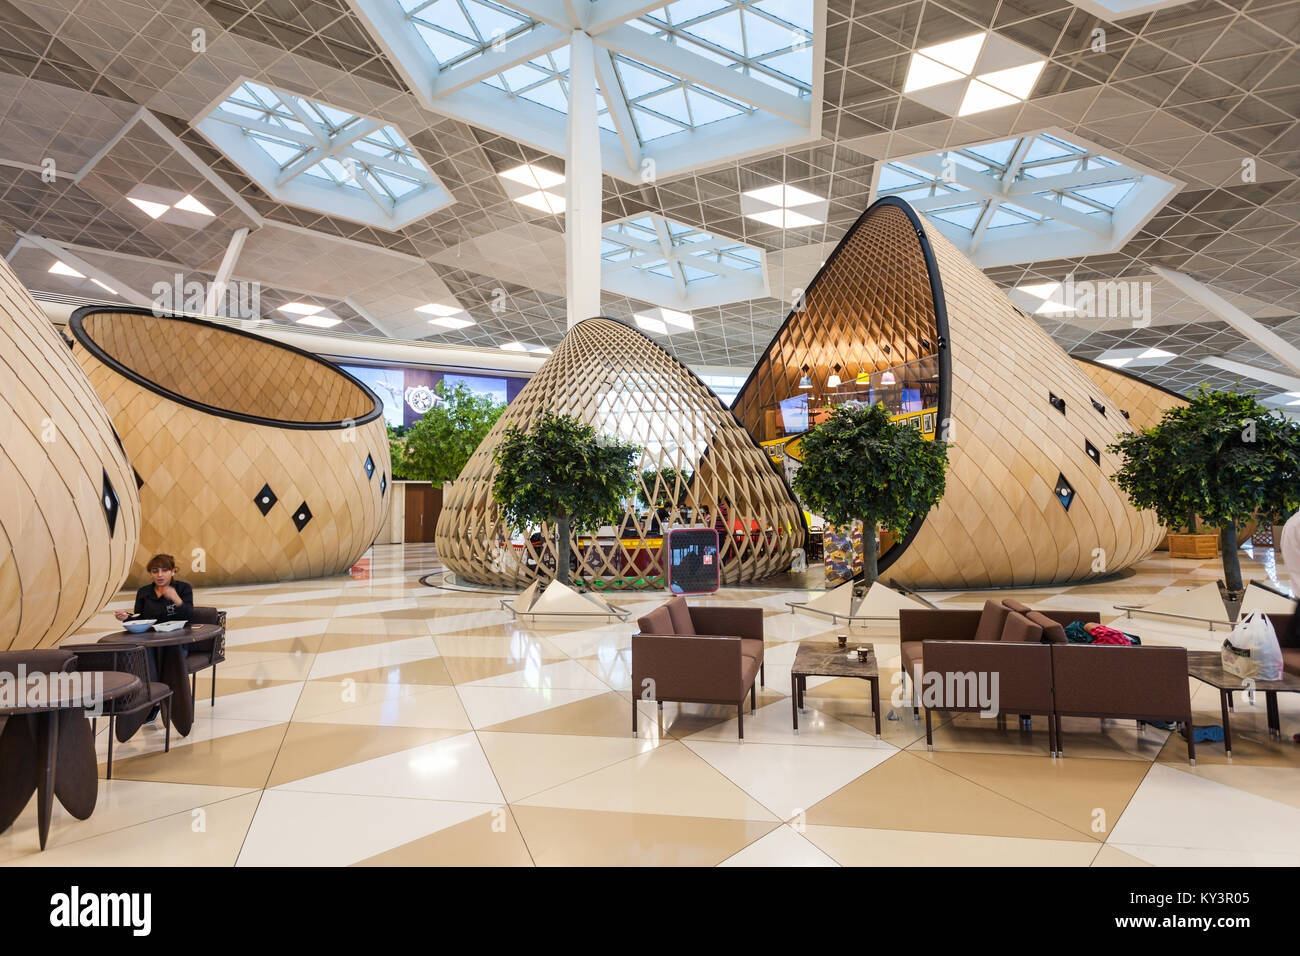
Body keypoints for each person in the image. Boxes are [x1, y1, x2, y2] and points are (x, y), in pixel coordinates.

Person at [115, 554, 194, 623]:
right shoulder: (143, 592)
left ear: (172, 571)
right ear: (151, 574)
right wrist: (127, 617)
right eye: (155, 571)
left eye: (164, 570)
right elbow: (140, 619)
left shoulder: (184, 588)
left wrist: (176, 599)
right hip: (151, 637)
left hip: (180, 635)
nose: (159, 575)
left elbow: (189, 615)